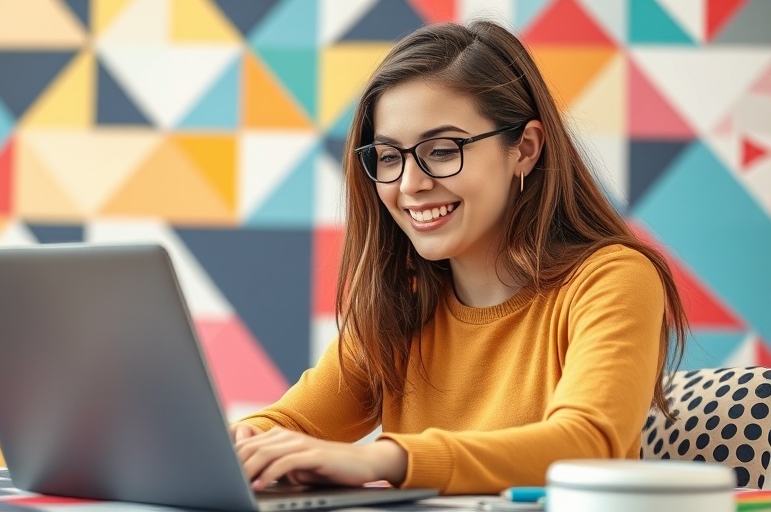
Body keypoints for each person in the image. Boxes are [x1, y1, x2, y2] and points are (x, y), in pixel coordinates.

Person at [230, 19, 688, 495]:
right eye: (389, 157)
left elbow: (588, 445)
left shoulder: (612, 279)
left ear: (525, 150)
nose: (410, 185)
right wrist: (244, 444)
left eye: (442, 150)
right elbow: (288, 423)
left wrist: (385, 459)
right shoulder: (401, 307)